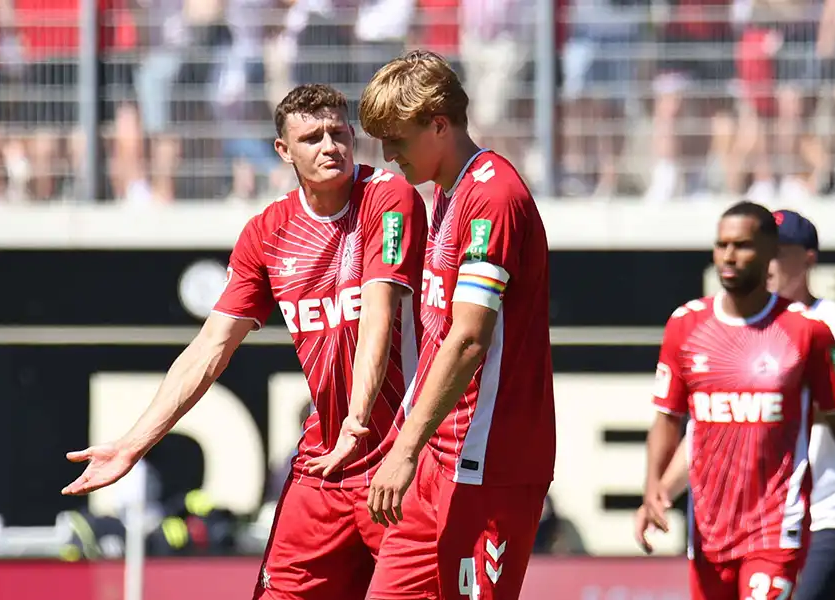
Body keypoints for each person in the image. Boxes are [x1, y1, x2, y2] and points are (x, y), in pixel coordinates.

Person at [61, 83, 428, 600]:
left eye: (339, 133)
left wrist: (358, 419)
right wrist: (132, 444)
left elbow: (379, 317)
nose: (330, 146)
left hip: (399, 457)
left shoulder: (388, 199)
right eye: (312, 137)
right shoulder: (268, 232)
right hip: (325, 462)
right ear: (284, 151)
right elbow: (210, 349)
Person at [355, 49, 555, 600]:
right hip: (433, 458)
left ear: (439, 124)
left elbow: (468, 339)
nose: (388, 154)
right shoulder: (447, 190)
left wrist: (402, 449)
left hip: (488, 463)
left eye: (396, 138)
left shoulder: (494, 197)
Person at [636, 201, 835, 600]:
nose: (730, 255)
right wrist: (656, 490)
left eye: (745, 246)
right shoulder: (688, 326)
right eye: (721, 244)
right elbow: (686, 424)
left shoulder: (820, 328)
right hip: (712, 526)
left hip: (811, 513)